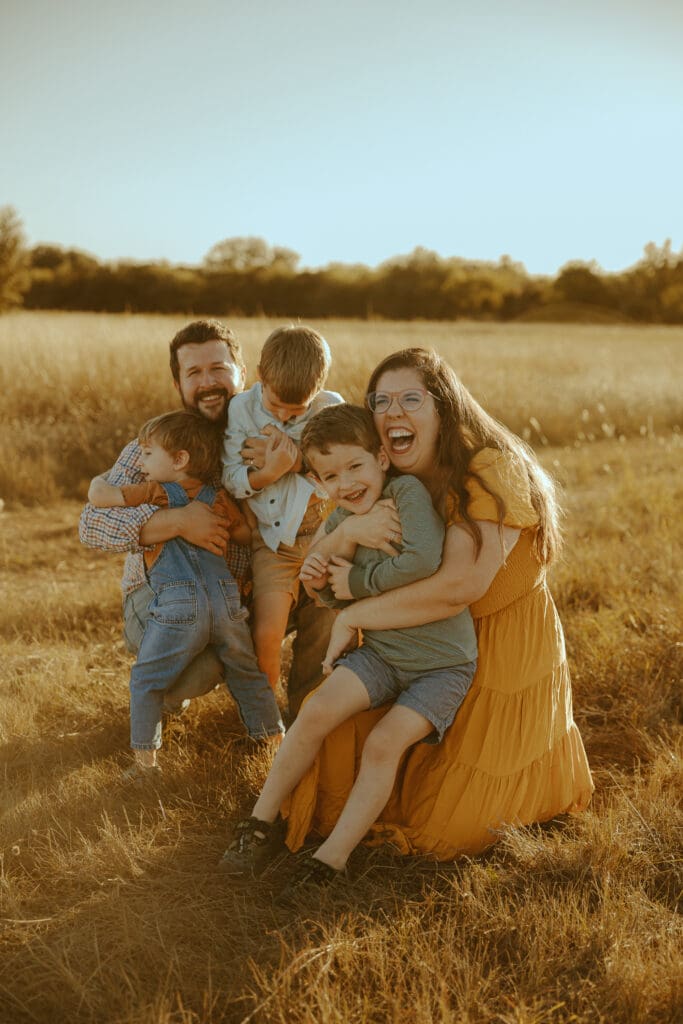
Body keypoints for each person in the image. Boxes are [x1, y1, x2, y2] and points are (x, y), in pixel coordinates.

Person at [278, 347, 594, 870]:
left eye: (410, 399)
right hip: (414, 639)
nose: (394, 412)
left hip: (499, 645)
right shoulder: (389, 478)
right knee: (332, 738)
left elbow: (460, 586)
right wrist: (350, 536)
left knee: (449, 827)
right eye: (381, 401)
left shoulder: (492, 466)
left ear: (443, 407)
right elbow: (320, 579)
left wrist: (353, 614)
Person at [219, 403, 477, 883]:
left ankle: (331, 859)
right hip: (383, 655)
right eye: (331, 475)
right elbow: (322, 590)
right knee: (315, 711)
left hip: (442, 665)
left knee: (383, 743)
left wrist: (355, 581)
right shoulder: (340, 521)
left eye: (355, 466)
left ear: (381, 458)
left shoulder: (406, 495)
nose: (347, 483)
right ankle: (260, 822)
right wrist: (320, 575)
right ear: (319, 483)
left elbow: (422, 561)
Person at [78, 319, 335, 717]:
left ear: (245, 374)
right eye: (193, 373)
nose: (208, 382)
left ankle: (311, 715)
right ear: (178, 384)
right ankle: (164, 695)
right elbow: (91, 525)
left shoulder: (271, 422)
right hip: (162, 595)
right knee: (199, 666)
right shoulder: (157, 444)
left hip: (249, 590)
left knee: (328, 597)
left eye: (218, 369)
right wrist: (180, 522)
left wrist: (298, 463)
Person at [88, 410, 284, 780]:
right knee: (247, 673)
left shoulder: (156, 492)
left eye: (147, 455)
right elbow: (245, 535)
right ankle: (273, 742)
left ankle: (145, 765)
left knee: (147, 678)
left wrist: (99, 481)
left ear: (179, 460)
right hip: (226, 601)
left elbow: (102, 497)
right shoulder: (220, 497)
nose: (140, 463)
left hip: (179, 603)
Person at [222, 326, 343, 691]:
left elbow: (346, 469)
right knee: (267, 632)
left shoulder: (331, 406)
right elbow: (231, 476)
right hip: (274, 542)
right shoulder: (241, 409)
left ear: (319, 389)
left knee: (329, 628)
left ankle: (310, 709)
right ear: (260, 376)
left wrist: (297, 461)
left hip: (328, 535)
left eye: (298, 410)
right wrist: (267, 473)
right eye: (276, 407)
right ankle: (265, 720)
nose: (287, 418)